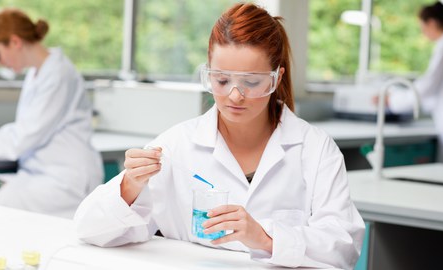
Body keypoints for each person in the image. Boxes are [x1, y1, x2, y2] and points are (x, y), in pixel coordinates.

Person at [74, 3, 364, 269]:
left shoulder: (314, 148)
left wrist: (265, 238)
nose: (234, 95)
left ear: (276, 78)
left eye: (251, 82)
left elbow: (344, 246)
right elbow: (89, 228)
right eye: (222, 80)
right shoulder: (177, 145)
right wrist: (129, 186)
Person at [0, 8, 103, 218]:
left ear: (15, 42)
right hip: (40, 174)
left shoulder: (59, 74)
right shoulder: (38, 73)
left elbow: (21, 138)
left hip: (65, 180)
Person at [387, 1, 443, 164]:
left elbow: (430, 85)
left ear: (432, 23)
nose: (424, 33)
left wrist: (393, 100)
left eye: (423, 28)